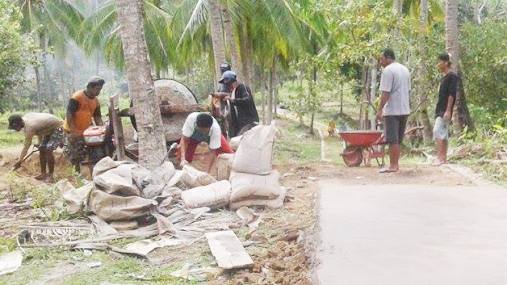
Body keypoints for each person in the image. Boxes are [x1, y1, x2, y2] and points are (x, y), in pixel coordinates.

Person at [376, 48, 411, 173]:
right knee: (398, 139)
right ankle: (395, 164)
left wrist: (380, 109)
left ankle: (393, 165)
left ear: (387, 57)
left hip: (392, 110)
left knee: (392, 139)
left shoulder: (388, 71)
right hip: (404, 109)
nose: (380, 61)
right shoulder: (405, 70)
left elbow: (385, 92)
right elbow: (408, 90)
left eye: (381, 58)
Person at [63, 76, 105, 172]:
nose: (99, 92)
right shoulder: (77, 97)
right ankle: (77, 175)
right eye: (97, 89)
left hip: (86, 131)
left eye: (100, 89)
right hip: (73, 130)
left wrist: (101, 129)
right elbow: (69, 114)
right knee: (75, 154)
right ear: (90, 87)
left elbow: (97, 117)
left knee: (92, 152)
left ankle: (92, 173)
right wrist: (73, 131)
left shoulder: (96, 101)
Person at [8, 113, 63, 182]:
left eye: (15, 127)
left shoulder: (30, 127)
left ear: (19, 123)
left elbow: (26, 146)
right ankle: (43, 174)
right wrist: (40, 144)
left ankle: (50, 176)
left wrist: (20, 160)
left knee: (48, 149)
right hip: (48, 130)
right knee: (42, 149)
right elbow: (40, 130)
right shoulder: (25, 120)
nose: (15, 129)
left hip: (58, 128)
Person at [433, 52, 458, 165]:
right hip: (440, 108)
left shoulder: (452, 77)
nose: (438, 64)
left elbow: (451, 94)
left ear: (446, 63)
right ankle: (444, 158)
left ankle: (440, 158)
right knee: (444, 133)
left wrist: (448, 110)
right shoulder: (444, 77)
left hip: (445, 109)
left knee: (437, 131)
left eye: (440, 62)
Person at [220, 70, 259, 137]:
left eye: (227, 84)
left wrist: (233, 100)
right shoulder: (233, 92)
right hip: (239, 123)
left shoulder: (242, 87)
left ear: (231, 82)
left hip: (249, 122)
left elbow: (247, 100)